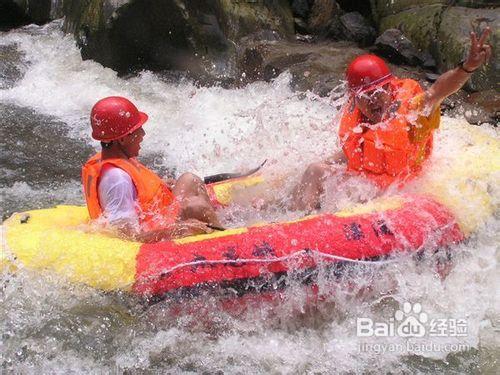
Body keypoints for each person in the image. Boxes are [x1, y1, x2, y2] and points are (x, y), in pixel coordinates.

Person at [291, 27, 492, 211]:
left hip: (401, 191)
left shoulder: (413, 110)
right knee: (313, 170)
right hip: (365, 188)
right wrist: (326, 162)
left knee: (316, 173)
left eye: (378, 92)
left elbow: (438, 91)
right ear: (354, 99)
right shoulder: (359, 117)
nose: (373, 101)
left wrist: (467, 68)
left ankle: (300, 227)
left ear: (390, 87)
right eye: (365, 96)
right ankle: (286, 219)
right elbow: (357, 151)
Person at [82, 96, 222, 243]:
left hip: (156, 219)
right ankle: (227, 238)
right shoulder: (117, 179)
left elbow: (137, 198)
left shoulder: (109, 160)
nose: (143, 134)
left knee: (189, 179)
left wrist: (159, 185)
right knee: (196, 207)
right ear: (122, 139)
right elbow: (128, 239)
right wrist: (179, 229)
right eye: (137, 129)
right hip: (153, 238)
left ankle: (220, 225)